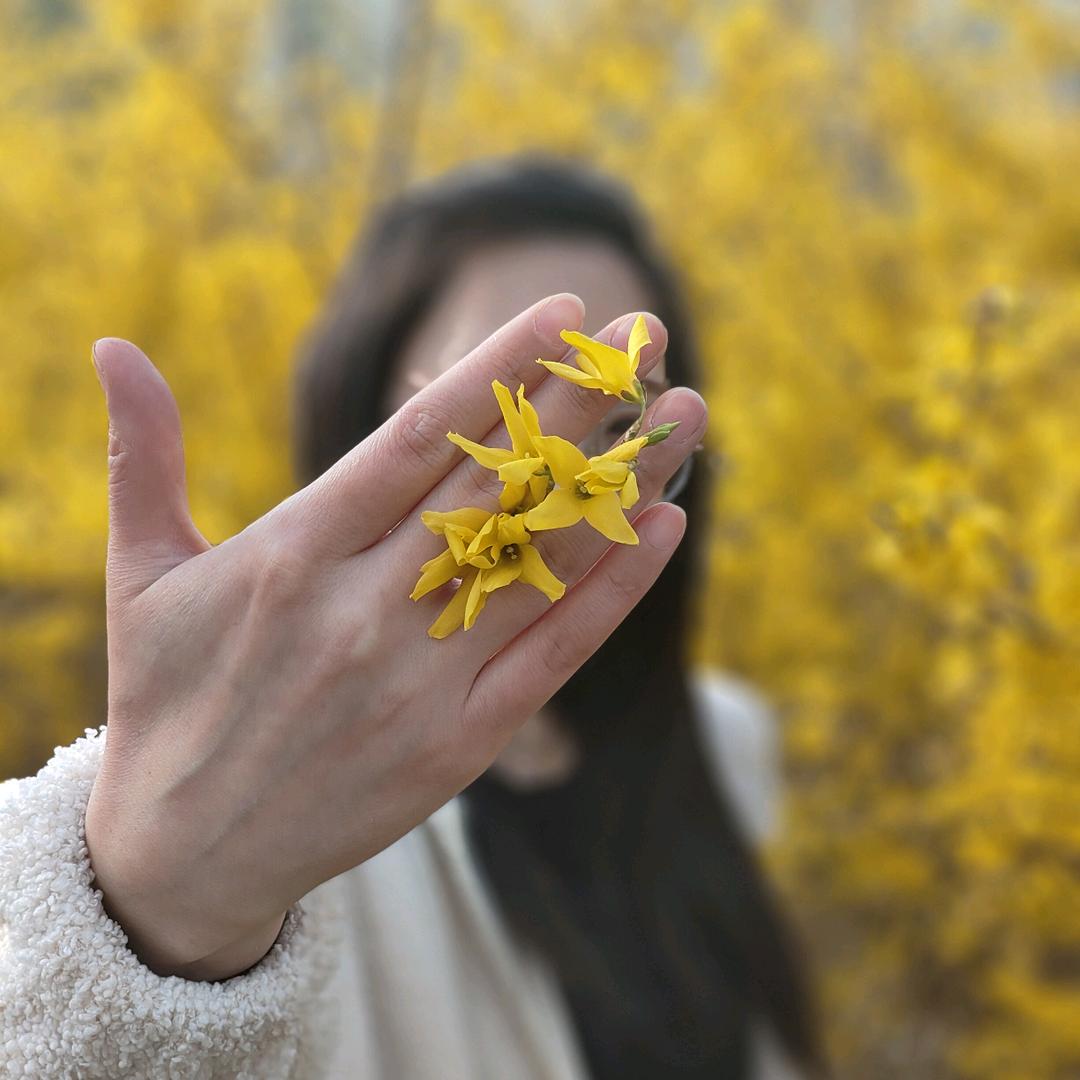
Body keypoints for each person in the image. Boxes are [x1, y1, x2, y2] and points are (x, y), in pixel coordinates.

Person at [0, 157, 821, 1079]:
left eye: (625, 405)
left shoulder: (724, 743)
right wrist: (153, 919)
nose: (571, 444)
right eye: (525, 387)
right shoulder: (301, 802)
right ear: (382, 419)